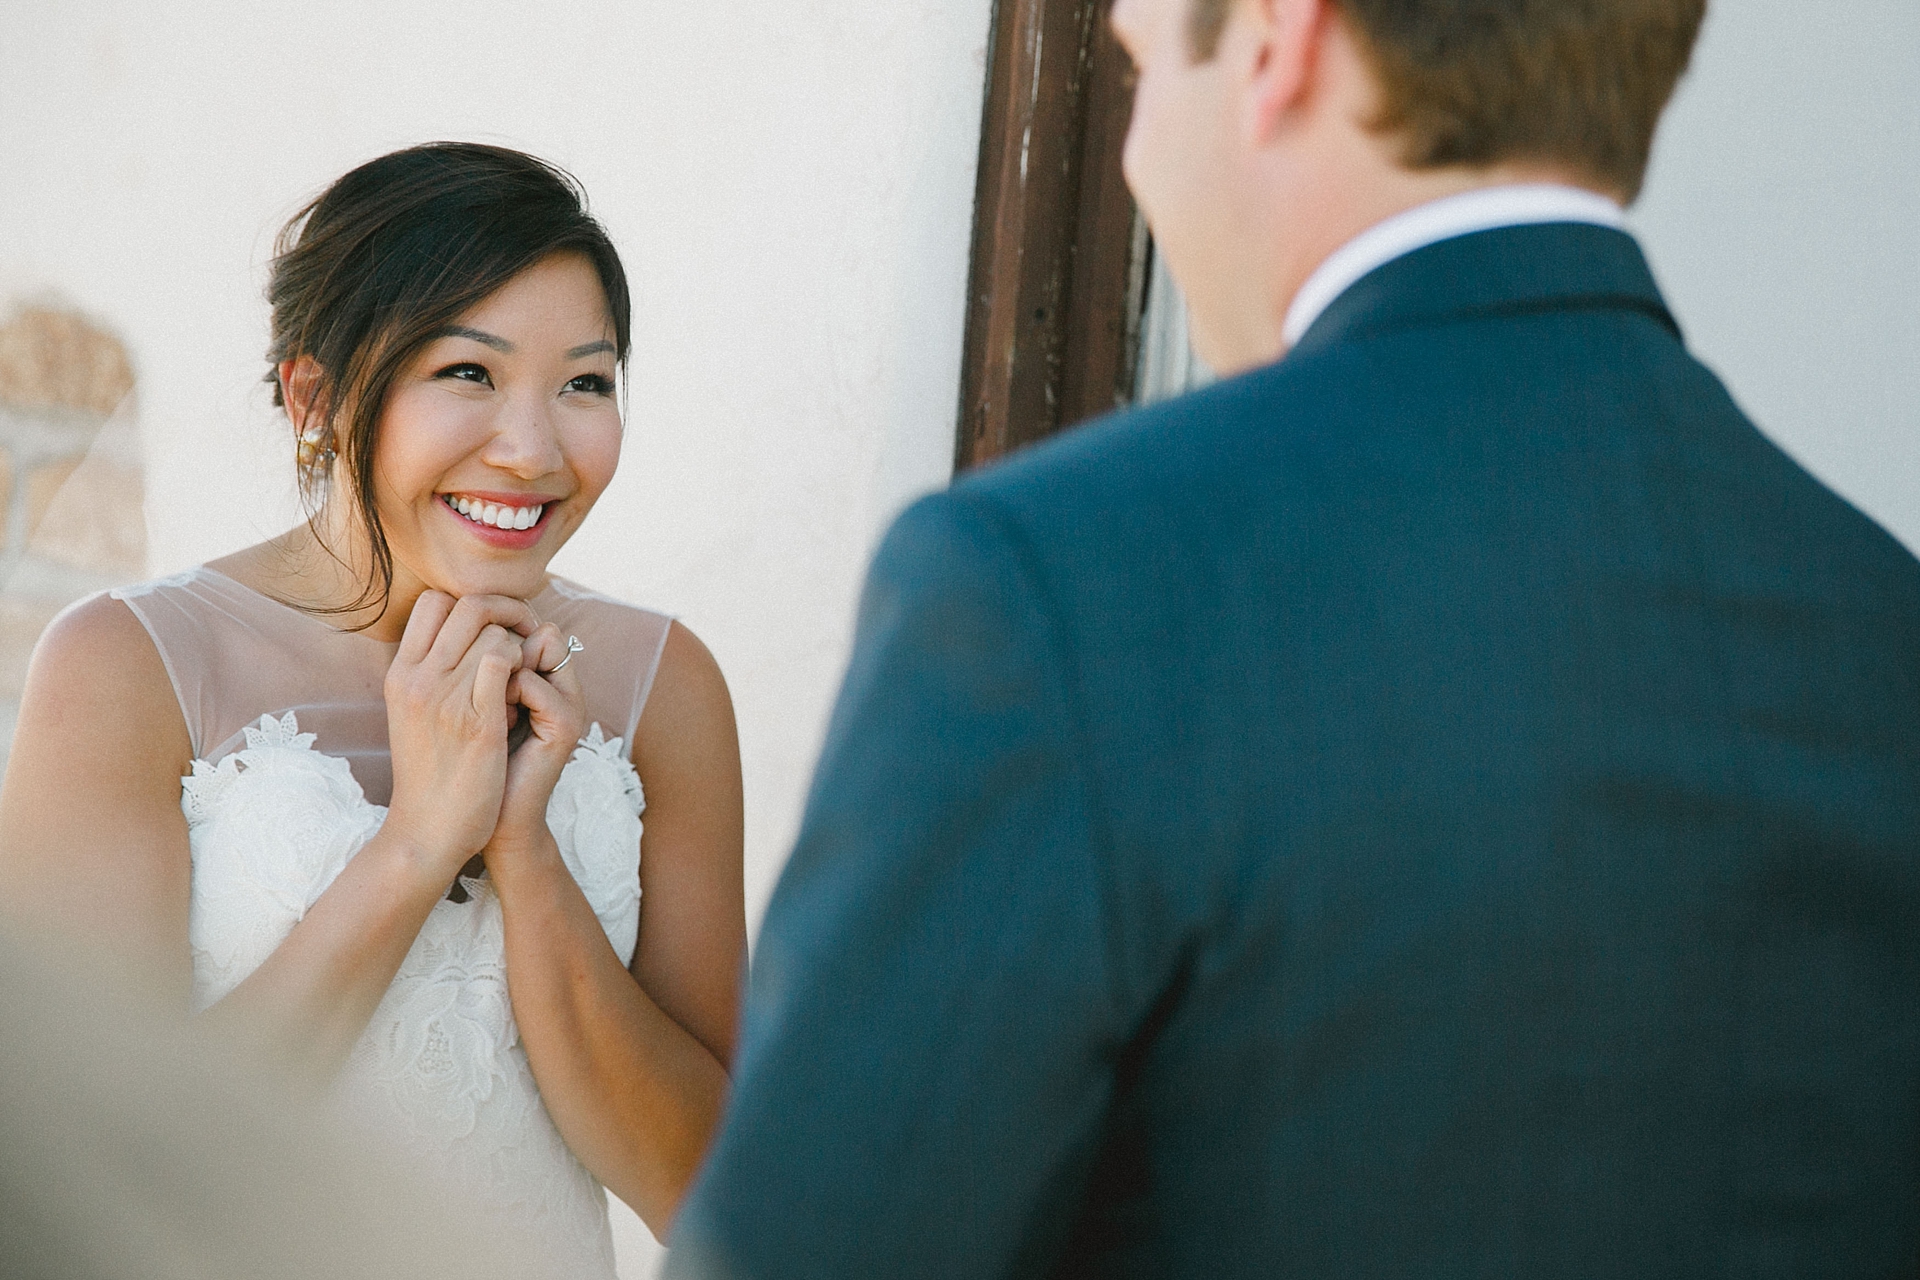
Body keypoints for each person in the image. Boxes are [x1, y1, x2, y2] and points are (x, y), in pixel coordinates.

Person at [668, 0, 1920, 1275]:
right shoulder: (1887, 624)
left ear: (1275, 41)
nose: (1139, 155)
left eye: (1148, 69)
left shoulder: (1055, 586)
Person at [0, 143, 746, 1275]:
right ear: (317, 393)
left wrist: (523, 848)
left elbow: (712, 1195)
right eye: (467, 372)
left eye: (585, 382)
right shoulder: (127, 668)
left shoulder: (662, 686)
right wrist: (416, 841)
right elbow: (91, 1184)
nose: (535, 449)